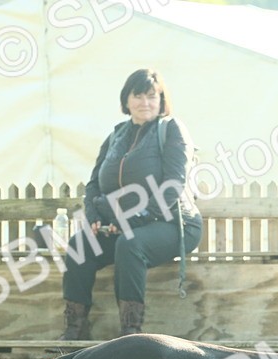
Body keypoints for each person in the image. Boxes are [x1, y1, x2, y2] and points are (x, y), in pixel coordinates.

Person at [58, 68, 202, 339]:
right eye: (138, 96)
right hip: (123, 226)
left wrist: (128, 223)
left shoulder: (171, 130)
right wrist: (93, 218)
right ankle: (74, 331)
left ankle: (130, 334)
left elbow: (173, 186)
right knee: (79, 245)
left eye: (152, 96)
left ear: (161, 101)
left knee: (130, 243)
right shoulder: (115, 137)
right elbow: (93, 185)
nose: (145, 103)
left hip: (173, 222)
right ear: (126, 100)